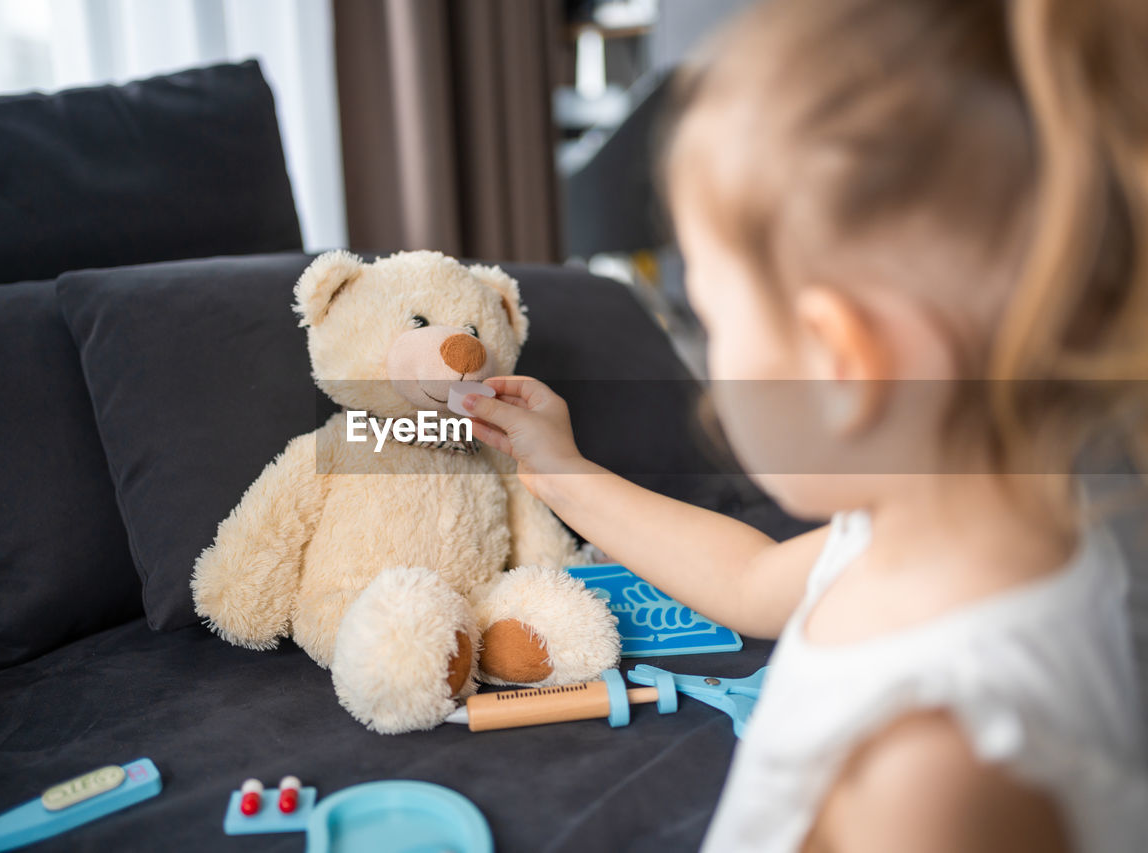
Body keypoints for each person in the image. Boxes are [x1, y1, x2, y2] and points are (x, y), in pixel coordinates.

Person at [462, 0, 1148, 850]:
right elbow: (750, 582)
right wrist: (558, 469)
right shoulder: (945, 531)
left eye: (708, 315)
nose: (712, 374)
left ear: (839, 364)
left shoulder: (933, 771)